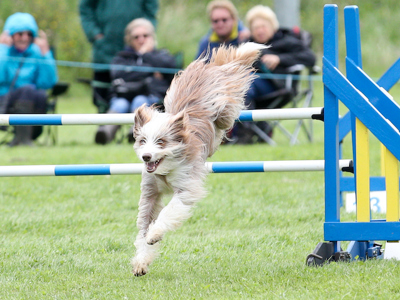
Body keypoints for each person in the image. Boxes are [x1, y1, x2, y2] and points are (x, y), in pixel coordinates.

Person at [231, 5, 316, 144]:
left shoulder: (287, 41)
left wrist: (279, 59)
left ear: (273, 26)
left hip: (279, 87)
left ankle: (246, 131)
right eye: (255, 27)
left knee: (244, 85)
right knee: (239, 84)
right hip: (249, 87)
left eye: (263, 26)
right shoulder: (248, 45)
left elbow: (310, 58)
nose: (260, 30)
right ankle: (258, 128)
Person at [95, 18, 176, 145]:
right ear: (129, 39)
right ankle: (105, 133)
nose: (141, 39)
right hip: (122, 95)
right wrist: (150, 71)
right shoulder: (122, 57)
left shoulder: (162, 55)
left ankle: (135, 133)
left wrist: (144, 54)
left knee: (139, 101)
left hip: (151, 97)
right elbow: (117, 74)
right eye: (136, 37)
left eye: (145, 35)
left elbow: (171, 70)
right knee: (120, 104)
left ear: (152, 37)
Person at [79, 0, 159, 113]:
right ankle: (106, 128)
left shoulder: (150, 48)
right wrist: (95, 34)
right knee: (106, 101)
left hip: (139, 59)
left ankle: (136, 128)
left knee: (140, 99)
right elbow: (85, 9)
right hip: (105, 53)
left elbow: (151, 10)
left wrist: (143, 35)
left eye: (146, 36)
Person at [0, 12, 58, 146]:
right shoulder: (3, 51)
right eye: (20, 34)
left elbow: (47, 83)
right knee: (26, 90)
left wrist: (45, 54)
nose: (25, 38)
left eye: (29, 34)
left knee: (38, 94)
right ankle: (23, 139)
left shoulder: (37, 53)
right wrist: (2, 50)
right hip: (4, 100)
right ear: (11, 35)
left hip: (32, 99)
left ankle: (25, 137)